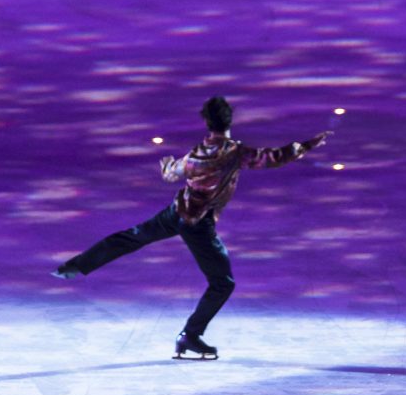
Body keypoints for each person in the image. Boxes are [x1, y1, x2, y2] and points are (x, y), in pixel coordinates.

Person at [52, 96, 331, 359]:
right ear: (230, 120)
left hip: (177, 212)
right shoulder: (235, 152)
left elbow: (173, 173)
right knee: (223, 284)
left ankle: (75, 266)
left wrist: (167, 169)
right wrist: (307, 145)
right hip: (198, 224)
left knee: (133, 237)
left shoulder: (196, 154)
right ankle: (190, 336)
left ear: (207, 122)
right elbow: (273, 157)